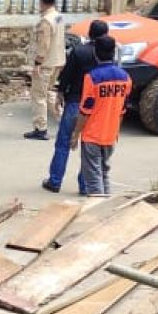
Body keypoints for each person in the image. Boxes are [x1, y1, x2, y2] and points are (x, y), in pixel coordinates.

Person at [43, 19, 109, 194]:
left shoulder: (79, 51)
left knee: (63, 142)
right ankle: (85, 185)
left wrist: (60, 93)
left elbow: (66, 76)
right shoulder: (107, 54)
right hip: (96, 106)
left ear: (89, 33)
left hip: (75, 102)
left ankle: (55, 181)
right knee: (89, 147)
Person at [70, 36, 131, 196]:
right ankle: (108, 207)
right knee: (103, 174)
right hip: (110, 135)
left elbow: (85, 110)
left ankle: (99, 211)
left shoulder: (92, 78)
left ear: (96, 54)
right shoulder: (126, 78)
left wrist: (76, 134)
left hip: (92, 136)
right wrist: (116, 131)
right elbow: (122, 110)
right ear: (113, 54)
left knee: (93, 179)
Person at [25, 0, 66, 141]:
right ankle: (64, 121)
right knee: (49, 93)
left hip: (46, 64)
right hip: (58, 61)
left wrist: (37, 63)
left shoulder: (46, 21)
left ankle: (40, 128)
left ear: (41, 1)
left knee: (39, 96)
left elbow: (44, 45)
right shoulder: (59, 17)